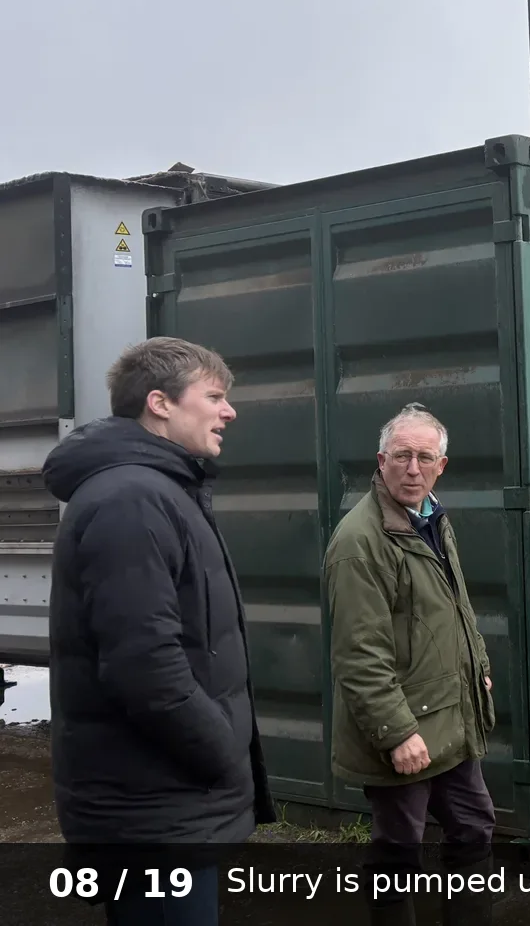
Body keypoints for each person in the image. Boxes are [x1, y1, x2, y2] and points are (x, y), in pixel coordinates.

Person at [44, 337, 274, 924]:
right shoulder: (131, 500)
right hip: (150, 814)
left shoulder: (164, 490)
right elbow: (143, 666)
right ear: (160, 403)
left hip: (166, 803)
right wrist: (222, 750)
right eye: (214, 397)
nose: (229, 412)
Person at [324, 402, 496, 926]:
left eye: (425, 458)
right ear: (381, 461)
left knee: (473, 829)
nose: (413, 468)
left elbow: (454, 606)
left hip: (449, 715)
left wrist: (477, 665)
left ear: (442, 466)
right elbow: (360, 654)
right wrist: (397, 733)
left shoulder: (431, 518)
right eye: (401, 456)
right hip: (404, 729)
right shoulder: (360, 541)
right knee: (398, 854)